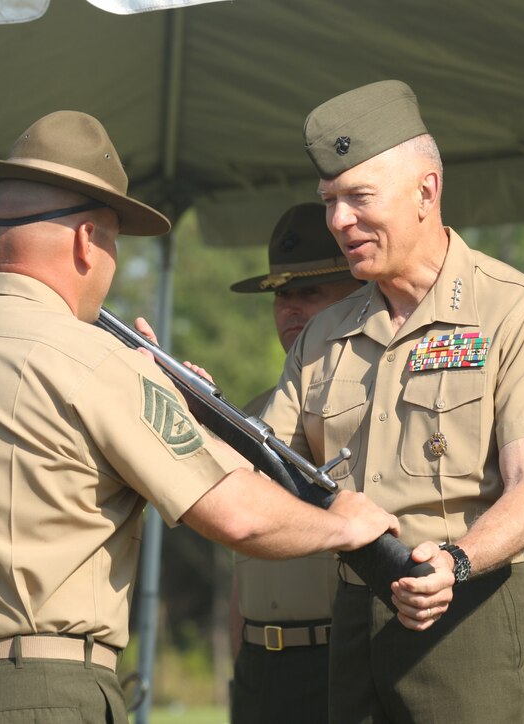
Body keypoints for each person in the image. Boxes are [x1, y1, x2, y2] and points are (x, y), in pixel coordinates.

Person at [0, 110, 403, 724]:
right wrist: (344, 525)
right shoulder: (97, 361)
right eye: (114, 244)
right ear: (85, 242)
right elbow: (235, 514)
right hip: (36, 693)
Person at [260, 80, 524, 723]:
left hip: (470, 608)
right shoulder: (324, 335)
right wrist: (183, 402)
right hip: (354, 613)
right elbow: (268, 469)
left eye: (358, 198)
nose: (337, 222)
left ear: (426, 190)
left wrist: (456, 564)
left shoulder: (518, 312)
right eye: (329, 201)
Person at [227, 202, 363, 724]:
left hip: (343, 654)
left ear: (357, 296)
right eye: (282, 295)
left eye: (311, 292)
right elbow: (245, 564)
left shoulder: (380, 407)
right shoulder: (250, 417)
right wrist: (243, 659)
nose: (290, 309)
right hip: (264, 665)